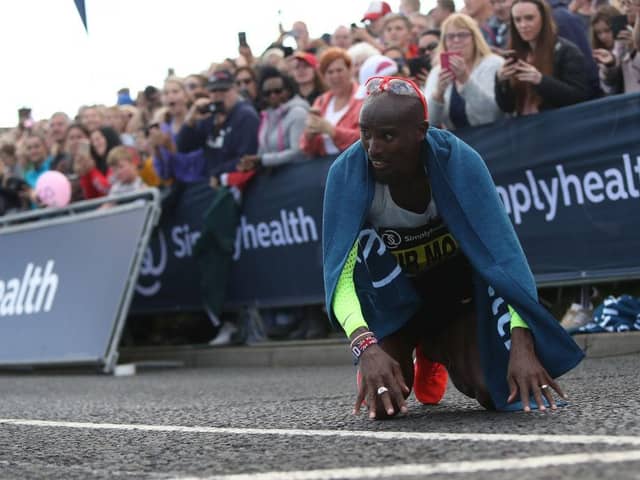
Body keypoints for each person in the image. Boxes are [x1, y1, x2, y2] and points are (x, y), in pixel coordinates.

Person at [322, 75, 584, 419]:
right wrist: (364, 345)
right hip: (393, 304)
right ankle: (412, 344)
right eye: (365, 133)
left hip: (454, 299)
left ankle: (435, 349)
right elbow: (339, 277)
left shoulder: (459, 161)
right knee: (385, 405)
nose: (373, 148)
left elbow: (506, 257)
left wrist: (523, 344)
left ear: (422, 131)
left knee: (500, 392)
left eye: (387, 136)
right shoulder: (346, 174)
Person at [495, 0, 591, 115]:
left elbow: (579, 97)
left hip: (556, 126)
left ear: (544, 19)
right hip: (524, 127)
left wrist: (540, 80)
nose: (523, 25)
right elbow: (507, 107)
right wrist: (501, 82)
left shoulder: (566, 51)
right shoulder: (515, 53)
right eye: (517, 20)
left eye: (529, 18)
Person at [176, 69, 260, 185]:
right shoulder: (210, 115)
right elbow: (183, 147)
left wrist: (217, 173)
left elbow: (246, 158)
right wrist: (190, 120)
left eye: (224, 90)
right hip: (210, 181)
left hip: (235, 184)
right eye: (214, 90)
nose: (218, 95)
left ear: (235, 89)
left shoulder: (246, 116)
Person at [425, 14, 505, 129]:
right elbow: (430, 121)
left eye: (462, 35)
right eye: (450, 36)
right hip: (457, 142)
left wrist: (466, 80)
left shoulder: (493, 64)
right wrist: (438, 93)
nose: (456, 40)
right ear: (444, 42)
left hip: (491, 137)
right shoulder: (437, 72)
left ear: (474, 38)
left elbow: (492, 115)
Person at [237, 67, 309, 172]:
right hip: (274, 178)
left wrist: (263, 160)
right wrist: (252, 163)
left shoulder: (298, 113)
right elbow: (263, 150)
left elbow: (298, 152)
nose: (273, 95)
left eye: (278, 91)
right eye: (267, 93)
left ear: (288, 90)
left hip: (297, 175)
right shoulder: (267, 116)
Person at [300, 48, 363, 157]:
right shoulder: (321, 101)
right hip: (324, 164)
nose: (335, 76)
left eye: (339, 70)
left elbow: (365, 138)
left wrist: (332, 131)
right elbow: (306, 147)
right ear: (324, 76)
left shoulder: (362, 97)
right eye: (330, 72)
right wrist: (309, 135)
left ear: (350, 71)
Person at [150, 77, 208, 183]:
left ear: (186, 96)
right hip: (181, 188)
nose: (170, 96)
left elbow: (200, 163)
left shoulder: (199, 120)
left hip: (203, 184)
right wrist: (156, 149)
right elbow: (164, 174)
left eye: (175, 91)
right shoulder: (163, 129)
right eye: (166, 93)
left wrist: (171, 148)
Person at [595, 0, 640, 94]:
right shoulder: (621, 39)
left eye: (631, 3)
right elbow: (608, 86)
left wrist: (634, 50)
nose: (627, 8)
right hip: (627, 102)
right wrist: (610, 64)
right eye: (623, 3)